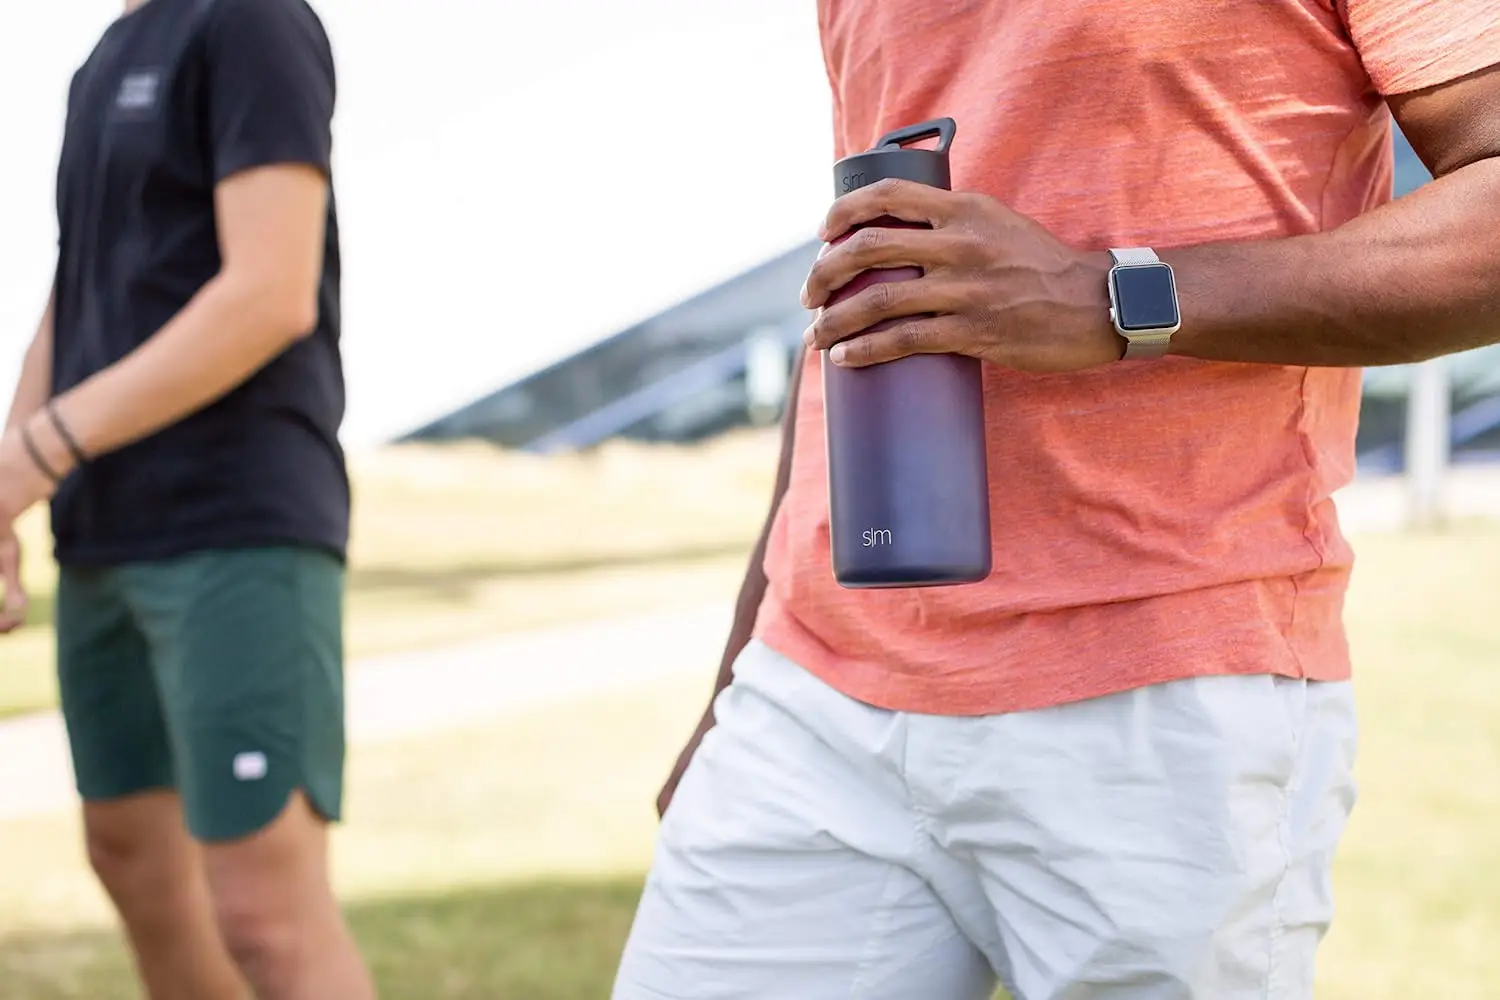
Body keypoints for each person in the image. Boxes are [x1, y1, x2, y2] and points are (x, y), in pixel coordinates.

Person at [612, 1, 1500, 998]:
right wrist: (740, 678)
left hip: (1166, 689)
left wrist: (1111, 296)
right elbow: (871, 298)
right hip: (815, 695)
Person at [0, 1, 375, 998]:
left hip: (234, 517)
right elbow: (76, 285)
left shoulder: (250, 21)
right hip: (104, 528)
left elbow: (269, 290)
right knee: (130, 859)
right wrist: (8, 479)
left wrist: (46, 444)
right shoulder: (107, 54)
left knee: (262, 910)